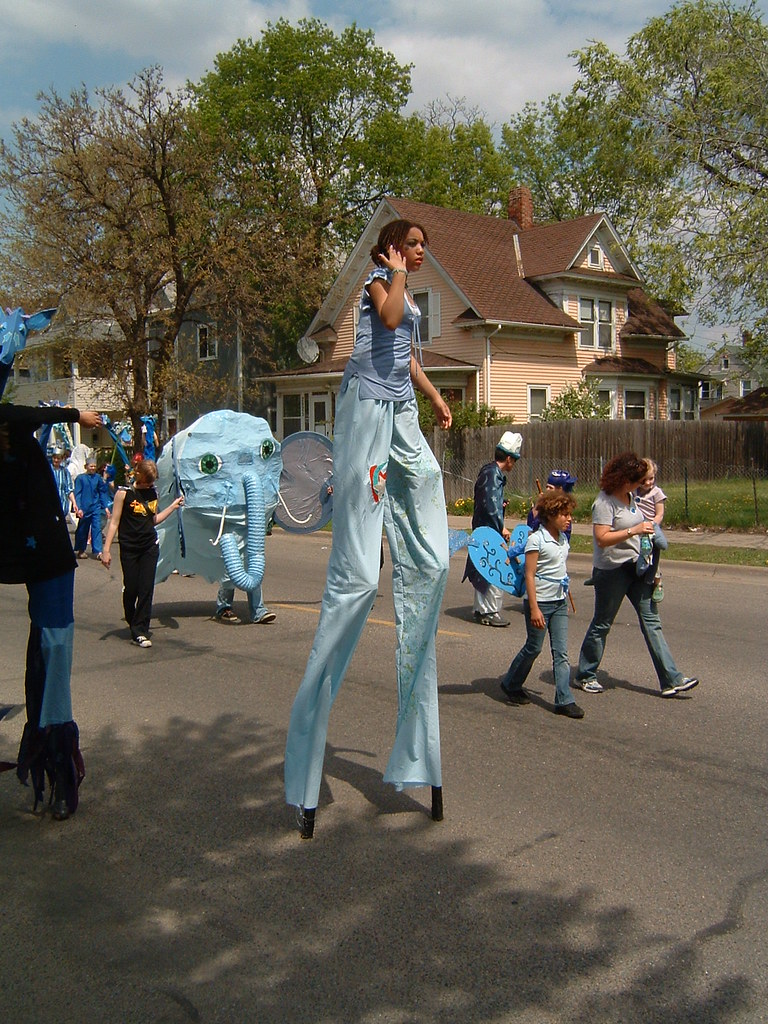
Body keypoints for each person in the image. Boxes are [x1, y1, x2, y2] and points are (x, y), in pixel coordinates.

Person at [284, 218, 452, 838]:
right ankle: (306, 767)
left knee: (430, 513)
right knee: (356, 577)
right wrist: (395, 271)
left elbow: (408, 358)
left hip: (401, 404)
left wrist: (435, 397)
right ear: (391, 248)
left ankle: (424, 555)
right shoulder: (378, 284)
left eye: (423, 247)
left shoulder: (403, 289)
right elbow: (387, 318)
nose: (420, 253)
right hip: (366, 407)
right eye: (413, 245)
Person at [0, 402, 102, 819]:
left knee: (52, 658)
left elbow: (23, 414)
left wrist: (76, 416)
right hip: (16, 550)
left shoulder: (15, 432)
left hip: (47, 555)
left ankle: (61, 774)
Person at [574, 451, 699, 698]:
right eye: (637, 481)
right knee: (602, 623)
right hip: (612, 571)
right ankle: (585, 675)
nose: (641, 485)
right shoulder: (604, 502)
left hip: (636, 568)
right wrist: (635, 530)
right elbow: (602, 539)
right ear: (624, 480)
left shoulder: (631, 496)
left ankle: (671, 679)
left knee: (652, 621)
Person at [501, 490, 584, 718]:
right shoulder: (536, 540)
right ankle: (511, 683)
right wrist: (534, 609)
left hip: (558, 603)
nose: (569, 519)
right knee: (534, 647)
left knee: (561, 652)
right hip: (540, 603)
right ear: (551, 515)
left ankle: (564, 700)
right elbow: (529, 575)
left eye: (570, 514)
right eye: (565, 514)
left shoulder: (563, 539)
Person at [101, 458, 183, 648]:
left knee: (146, 588)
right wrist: (106, 550)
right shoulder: (124, 493)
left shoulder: (153, 492)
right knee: (132, 588)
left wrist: (173, 507)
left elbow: (153, 520)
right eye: (147, 481)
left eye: (152, 482)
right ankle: (133, 621)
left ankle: (140, 631)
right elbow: (114, 522)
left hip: (149, 546)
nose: (149, 485)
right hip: (129, 547)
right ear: (139, 476)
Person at [463, 430, 523, 626]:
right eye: (515, 459)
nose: (514, 464)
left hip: (485, 530)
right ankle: (489, 611)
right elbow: (490, 506)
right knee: (494, 570)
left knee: (485, 569)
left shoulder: (490, 472)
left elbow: (491, 502)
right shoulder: (492, 475)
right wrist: (502, 527)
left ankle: (482, 609)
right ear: (509, 458)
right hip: (489, 532)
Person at [633, 458, 667, 602]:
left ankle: (657, 582)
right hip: (636, 528)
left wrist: (652, 526)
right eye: (644, 480)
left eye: (651, 478)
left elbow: (659, 514)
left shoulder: (657, 493)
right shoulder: (634, 491)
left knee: (653, 555)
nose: (648, 483)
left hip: (651, 529)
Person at [73, 459, 112, 558]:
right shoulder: (80, 478)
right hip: (84, 508)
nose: (93, 468)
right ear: (86, 466)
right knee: (83, 529)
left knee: (97, 528)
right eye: (91, 466)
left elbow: (102, 492)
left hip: (95, 507)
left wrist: (106, 507)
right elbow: (77, 493)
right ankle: (81, 550)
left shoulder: (98, 478)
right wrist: (79, 507)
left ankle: (98, 552)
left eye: (94, 466)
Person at [527, 469, 577, 540]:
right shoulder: (543, 507)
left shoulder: (564, 509)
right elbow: (530, 526)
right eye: (547, 487)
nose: (547, 490)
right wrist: (538, 504)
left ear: (560, 490)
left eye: (550, 488)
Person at [50, 448, 78, 520]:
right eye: (54, 458)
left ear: (62, 459)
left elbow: (69, 490)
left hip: (62, 506)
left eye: (58, 458)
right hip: (50, 505)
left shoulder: (65, 472)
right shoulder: (48, 470)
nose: (56, 460)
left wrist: (74, 503)